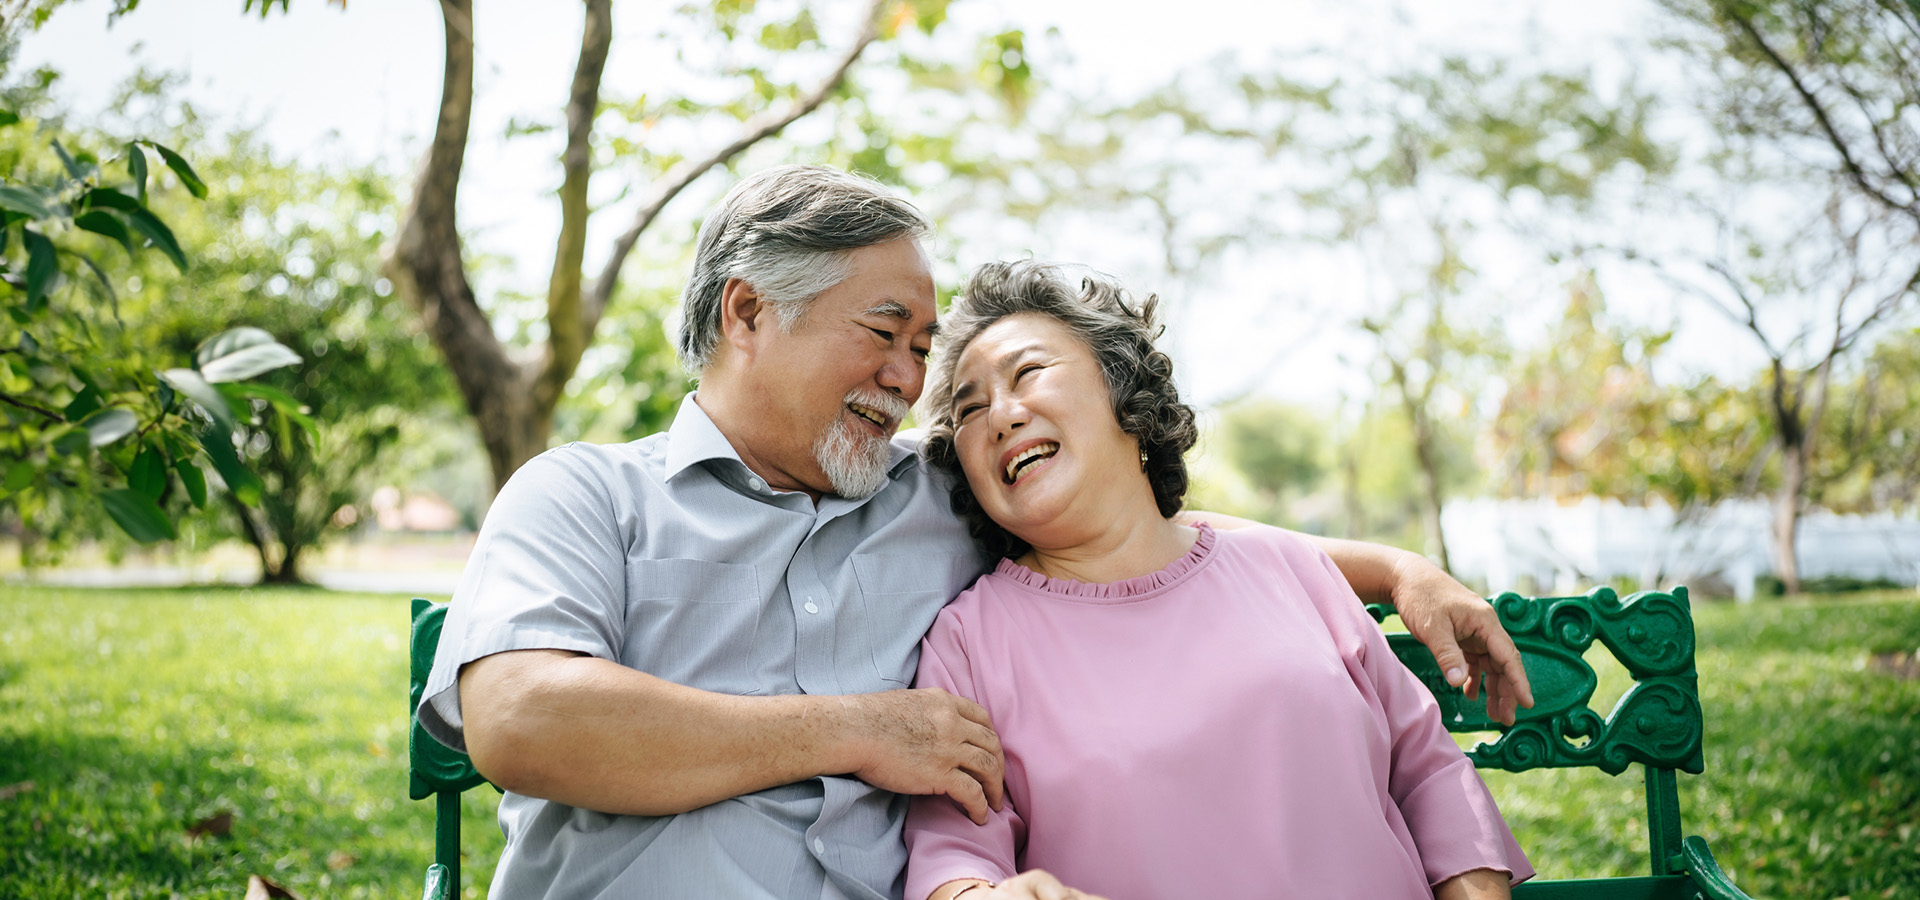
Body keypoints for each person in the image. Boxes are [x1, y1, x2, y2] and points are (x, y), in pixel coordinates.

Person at [416, 165, 1533, 899]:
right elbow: (522, 720)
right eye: (887, 335)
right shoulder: (581, 497)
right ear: (749, 312)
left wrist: (1388, 567)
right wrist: (850, 730)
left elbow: (1137, 526)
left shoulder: (940, 495)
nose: (911, 383)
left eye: (923, 354)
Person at [903, 260, 1534, 900]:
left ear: (1123, 390)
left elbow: (1428, 771)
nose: (1000, 416)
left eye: (1028, 373)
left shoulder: (1286, 565)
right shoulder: (967, 643)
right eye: (970, 409)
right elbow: (955, 855)